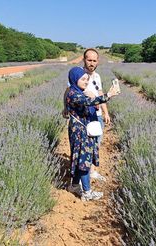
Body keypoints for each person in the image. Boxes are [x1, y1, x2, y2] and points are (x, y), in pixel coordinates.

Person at [66, 66, 120, 201]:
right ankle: (87, 192)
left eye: (87, 79)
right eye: (83, 79)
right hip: (80, 132)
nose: (86, 82)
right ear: (75, 79)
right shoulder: (74, 93)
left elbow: (91, 103)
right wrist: (108, 95)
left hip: (82, 129)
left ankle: (74, 186)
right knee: (84, 160)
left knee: (80, 158)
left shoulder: (77, 91)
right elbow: (89, 102)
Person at [62, 48, 108, 181]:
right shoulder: (78, 74)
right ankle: (81, 178)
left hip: (96, 115)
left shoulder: (97, 76)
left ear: (98, 61)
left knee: (95, 144)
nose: (92, 63)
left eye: (94, 60)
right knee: (82, 148)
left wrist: (105, 112)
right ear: (84, 60)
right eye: (89, 60)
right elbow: (68, 91)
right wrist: (66, 107)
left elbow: (100, 95)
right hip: (83, 118)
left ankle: (90, 171)